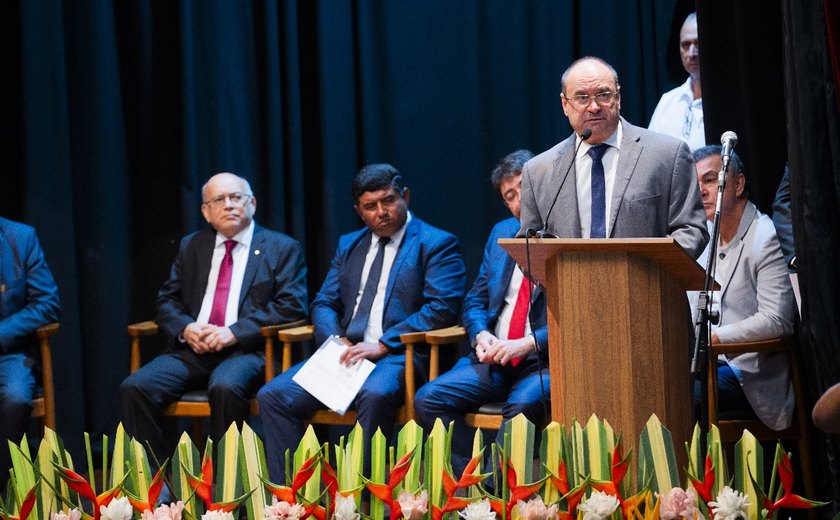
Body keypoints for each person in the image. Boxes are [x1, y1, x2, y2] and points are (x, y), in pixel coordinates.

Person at [258, 163, 467, 484]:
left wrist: (384, 344)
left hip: (400, 356)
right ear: (359, 210)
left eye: (389, 200)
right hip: (347, 353)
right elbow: (324, 302)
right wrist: (335, 338)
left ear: (405, 196)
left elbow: (442, 308)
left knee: (375, 394)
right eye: (371, 206)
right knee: (274, 395)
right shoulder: (349, 245)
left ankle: (359, 499)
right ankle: (291, 500)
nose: (382, 212)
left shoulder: (436, 243)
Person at [120, 172, 308, 457]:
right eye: (219, 199)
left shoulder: (281, 247)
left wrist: (233, 332)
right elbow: (166, 301)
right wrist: (186, 329)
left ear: (252, 204)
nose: (229, 205)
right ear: (206, 212)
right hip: (194, 350)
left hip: (248, 352)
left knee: (225, 386)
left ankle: (228, 492)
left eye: (237, 198)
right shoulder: (192, 245)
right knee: (135, 387)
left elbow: (291, 306)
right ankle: (155, 493)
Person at [414, 150, 549, 476]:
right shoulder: (500, 233)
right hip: (496, 357)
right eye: (510, 196)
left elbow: (579, 316)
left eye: (523, 188)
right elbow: (474, 300)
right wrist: (480, 335)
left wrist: (529, 343)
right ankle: (469, 486)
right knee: (428, 399)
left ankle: (497, 497)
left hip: (543, 361)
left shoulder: (570, 233)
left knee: (520, 408)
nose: (519, 200)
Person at [519, 56, 708, 259]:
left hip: (646, 288)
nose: (594, 106)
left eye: (603, 95)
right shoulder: (538, 171)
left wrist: (644, 273)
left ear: (618, 97)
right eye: (582, 97)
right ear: (565, 104)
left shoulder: (668, 155)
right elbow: (528, 249)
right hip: (570, 289)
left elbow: (692, 230)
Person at [692, 145, 796, 430]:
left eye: (710, 180)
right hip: (710, 365)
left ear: (738, 185)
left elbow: (779, 320)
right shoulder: (704, 237)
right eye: (696, 182)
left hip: (752, 376)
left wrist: (716, 337)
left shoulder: (765, 237)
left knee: (683, 395)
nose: (701, 191)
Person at [0, 217, 60, 487]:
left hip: (9, 351)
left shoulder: (20, 238)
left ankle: (5, 488)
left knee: (15, 398)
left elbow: (46, 303)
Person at [648, 13, 705, 150]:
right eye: (686, 45)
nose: (692, 53)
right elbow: (650, 153)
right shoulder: (668, 101)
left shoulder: (728, 102)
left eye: (698, 43)